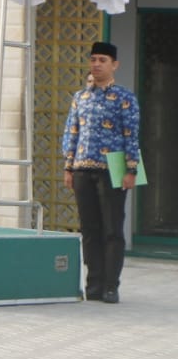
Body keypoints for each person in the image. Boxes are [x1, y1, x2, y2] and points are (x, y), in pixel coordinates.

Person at [62, 41, 141, 304]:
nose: (96, 64)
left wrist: (131, 170)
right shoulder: (80, 97)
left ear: (114, 65)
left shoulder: (125, 97)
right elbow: (71, 133)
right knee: (90, 229)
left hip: (114, 168)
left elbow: (131, 135)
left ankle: (111, 285)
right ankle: (93, 283)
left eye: (102, 60)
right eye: (93, 59)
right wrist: (68, 166)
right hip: (83, 168)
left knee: (112, 229)